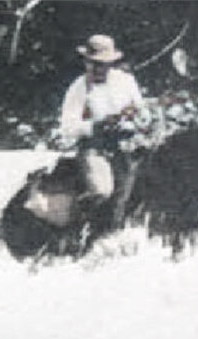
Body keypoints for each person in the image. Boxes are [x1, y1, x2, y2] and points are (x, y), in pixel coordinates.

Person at [59, 34, 145, 220]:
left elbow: (143, 112)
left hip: (125, 147)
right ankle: (78, 224)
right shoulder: (79, 88)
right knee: (101, 191)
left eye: (103, 63)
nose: (98, 68)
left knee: (135, 195)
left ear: (111, 63)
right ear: (86, 62)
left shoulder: (126, 81)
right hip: (94, 149)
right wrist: (96, 126)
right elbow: (67, 127)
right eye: (93, 63)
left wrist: (135, 117)